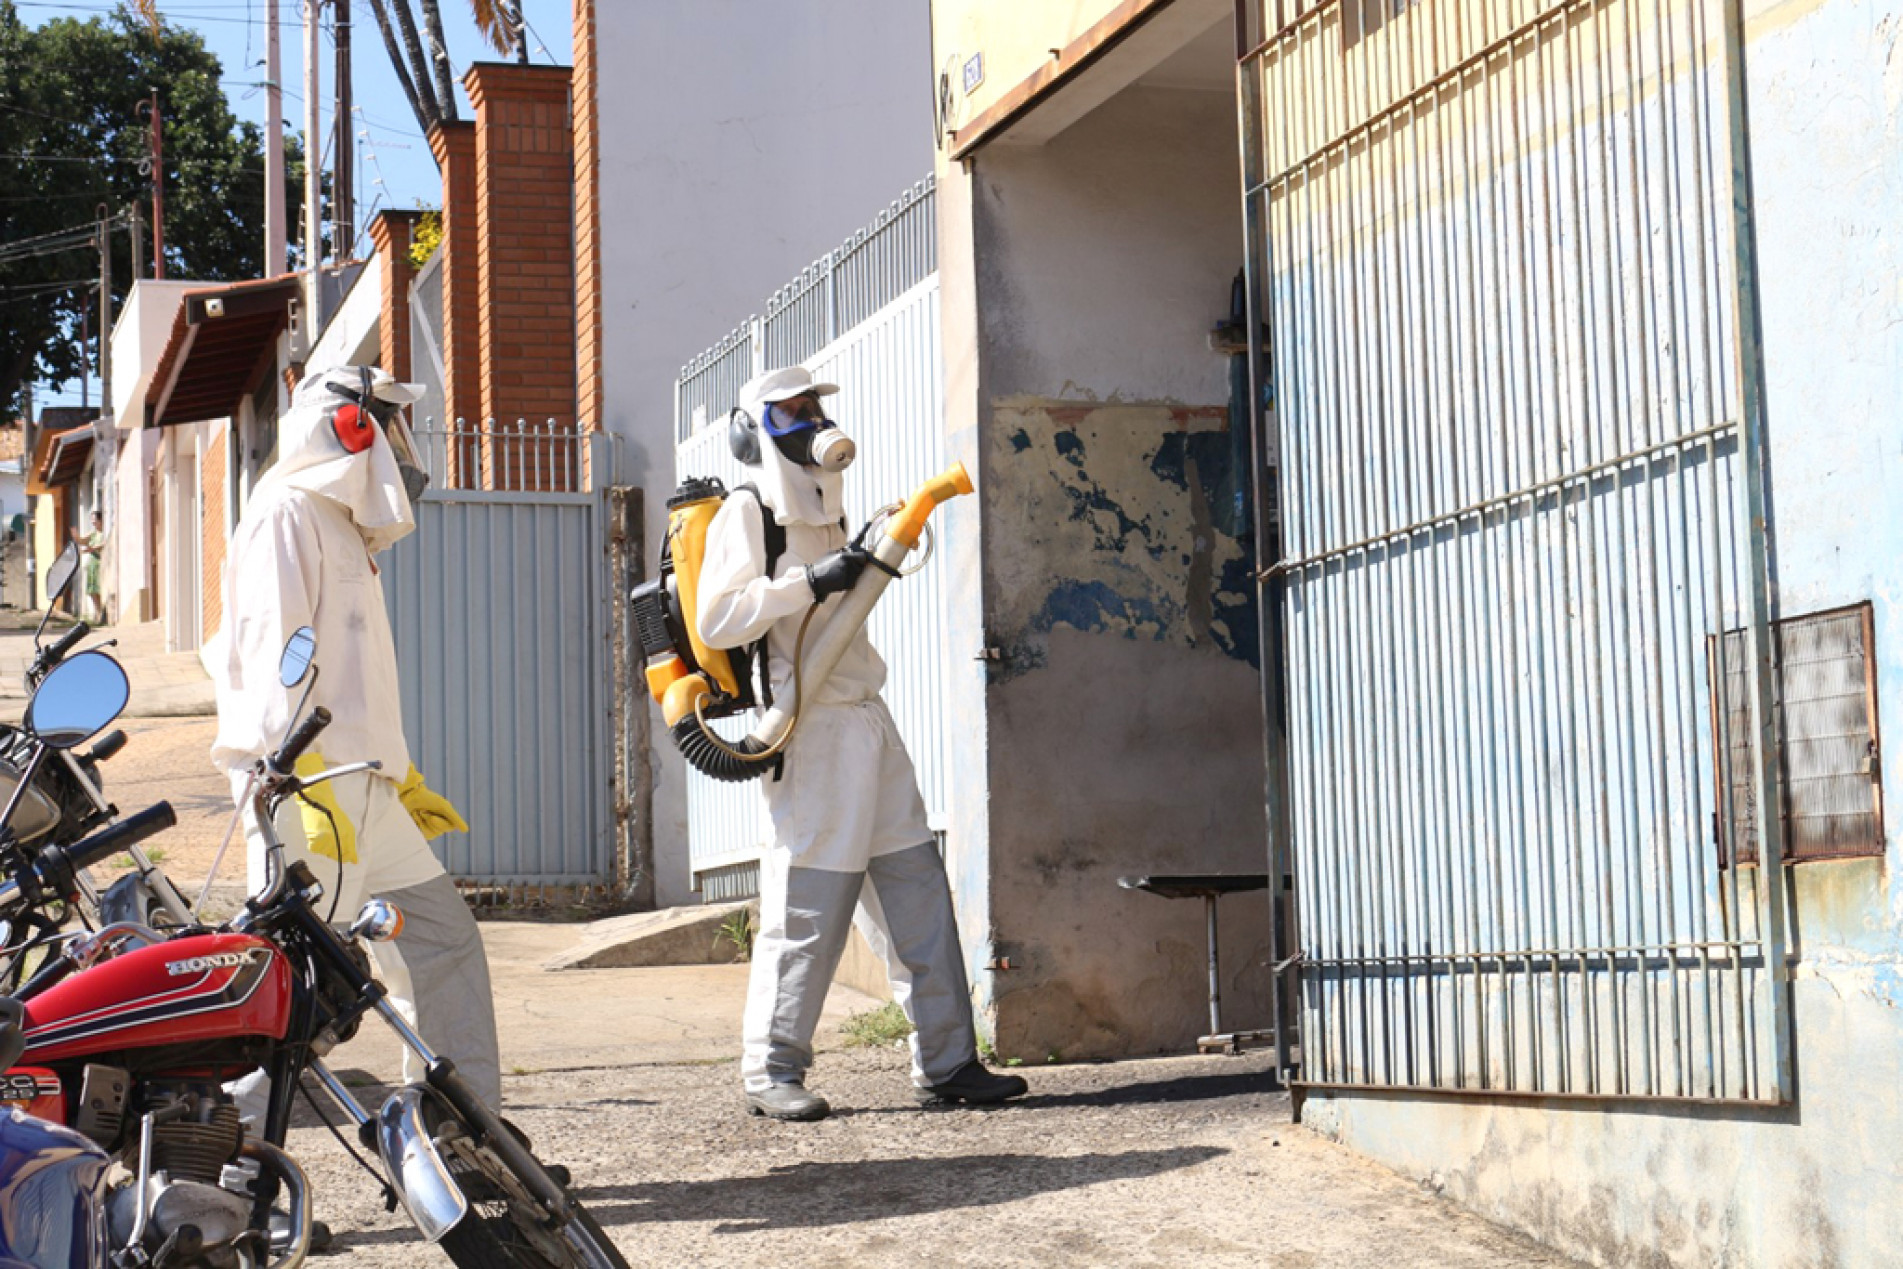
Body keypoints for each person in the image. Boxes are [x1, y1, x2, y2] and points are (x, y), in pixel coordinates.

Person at [697, 365, 1028, 1121]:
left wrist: (848, 556)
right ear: (755, 429)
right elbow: (718, 618)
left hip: (867, 721)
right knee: (806, 908)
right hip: (807, 729)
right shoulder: (748, 512)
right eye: (792, 410)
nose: (811, 419)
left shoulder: (829, 512)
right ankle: (769, 1069)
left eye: (815, 405)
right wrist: (812, 579)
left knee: (917, 894)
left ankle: (947, 1061)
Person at [209, 363, 501, 1113]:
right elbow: (274, 653)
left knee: (442, 941)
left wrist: (396, 774)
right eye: (390, 423)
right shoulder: (285, 512)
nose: (402, 446)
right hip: (310, 791)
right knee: (306, 993)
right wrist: (293, 777)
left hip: (364, 786)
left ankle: (461, 1138)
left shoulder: (340, 525)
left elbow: (352, 676)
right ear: (349, 425)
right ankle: (232, 1174)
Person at [70, 511, 104, 623]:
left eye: (95, 520)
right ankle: (98, 613)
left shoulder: (103, 533)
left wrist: (92, 548)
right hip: (92, 564)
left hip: (100, 564)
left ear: (100, 520)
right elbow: (82, 541)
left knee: (98, 589)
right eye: (92, 520)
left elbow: (103, 544)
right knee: (92, 590)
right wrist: (75, 536)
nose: (93, 522)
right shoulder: (93, 533)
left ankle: (101, 614)